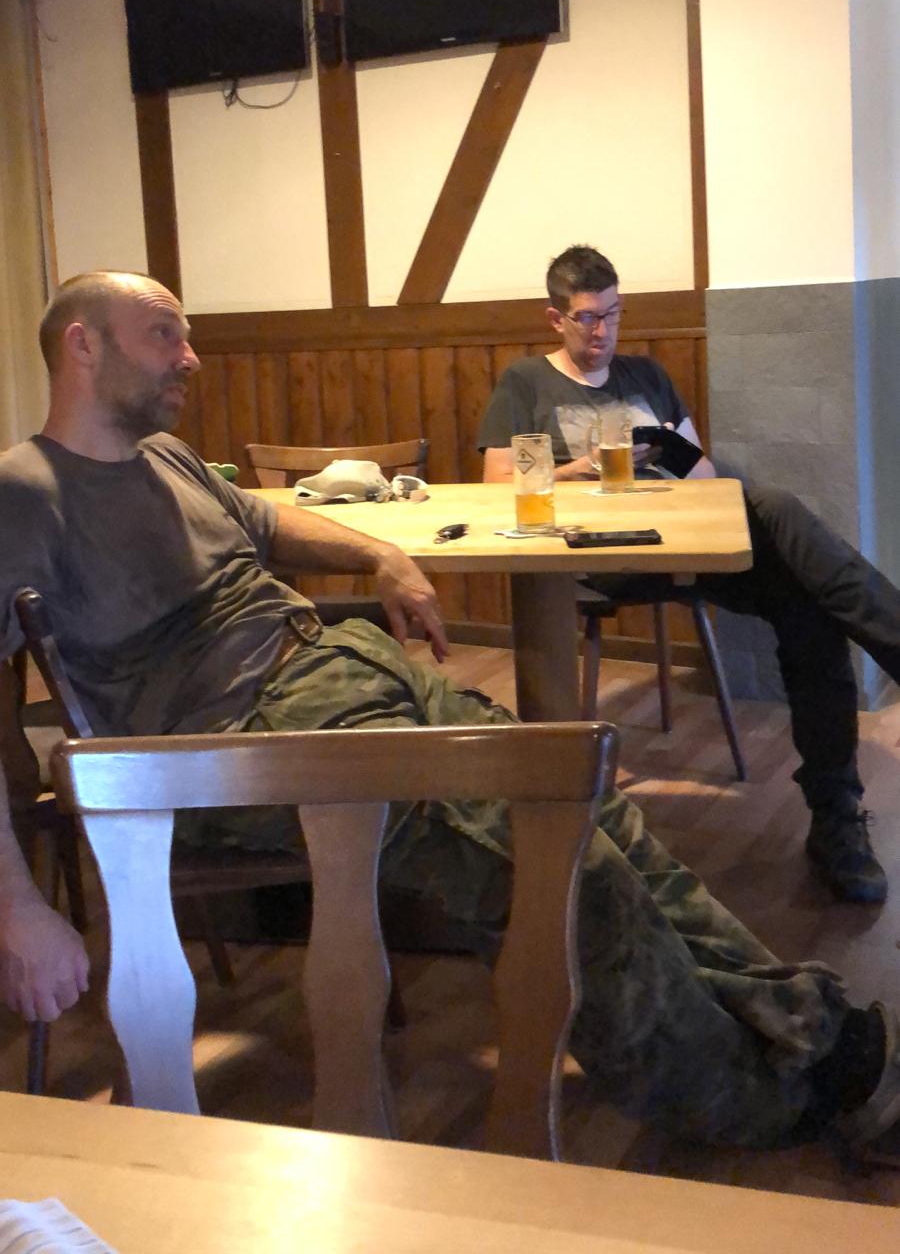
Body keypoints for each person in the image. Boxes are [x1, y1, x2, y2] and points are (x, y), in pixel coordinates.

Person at [1, 269, 900, 1162]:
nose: (192, 358)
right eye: (165, 335)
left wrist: (380, 555)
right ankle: (767, 1101)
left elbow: (268, 527)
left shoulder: (164, 456)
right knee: (564, 870)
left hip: (345, 676)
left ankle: (809, 1031)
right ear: (84, 346)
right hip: (244, 745)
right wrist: (20, 908)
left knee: (594, 808)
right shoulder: (25, 494)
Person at [479, 244, 900, 907]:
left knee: (808, 603)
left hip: (681, 542)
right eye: (587, 318)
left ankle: (835, 818)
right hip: (596, 557)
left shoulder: (647, 375)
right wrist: (579, 469)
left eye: (613, 314)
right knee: (778, 507)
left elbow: (704, 477)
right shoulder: (526, 382)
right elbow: (495, 484)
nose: (603, 331)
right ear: (555, 318)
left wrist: (671, 456)